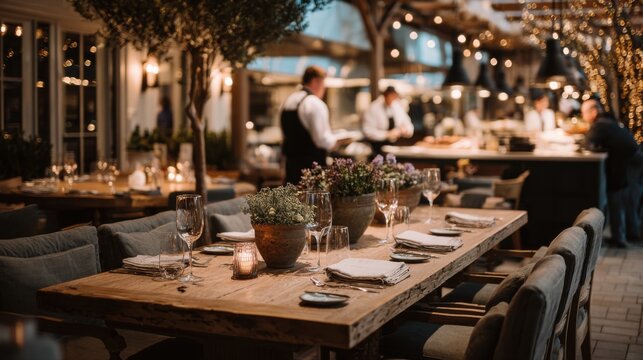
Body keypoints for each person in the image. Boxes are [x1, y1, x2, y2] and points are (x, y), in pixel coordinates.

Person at [582, 98, 639, 247]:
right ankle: (628, 234)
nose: (583, 117)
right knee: (627, 195)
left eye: (584, 113)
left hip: (629, 161)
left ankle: (622, 238)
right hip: (634, 157)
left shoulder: (599, 125)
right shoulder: (608, 120)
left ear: (593, 111)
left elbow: (587, 144)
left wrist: (599, 148)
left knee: (619, 195)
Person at [280, 66, 347, 185]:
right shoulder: (314, 103)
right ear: (316, 81)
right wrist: (339, 140)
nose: (324, 89)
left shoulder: (289, 100)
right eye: (323, 84)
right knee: (311, 202)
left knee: (291, 200)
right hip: (310, 168)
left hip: (290, 167)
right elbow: (322, 140)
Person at [362, 86, 414, 156]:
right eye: (390, 96)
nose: (392, 99)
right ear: (385, 96)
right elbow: (367, 131)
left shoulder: (397, 106)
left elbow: (408, 124)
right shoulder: (374, 108)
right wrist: (387, 134)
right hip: (377, 147)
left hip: (394, 146)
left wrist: (405, 130)